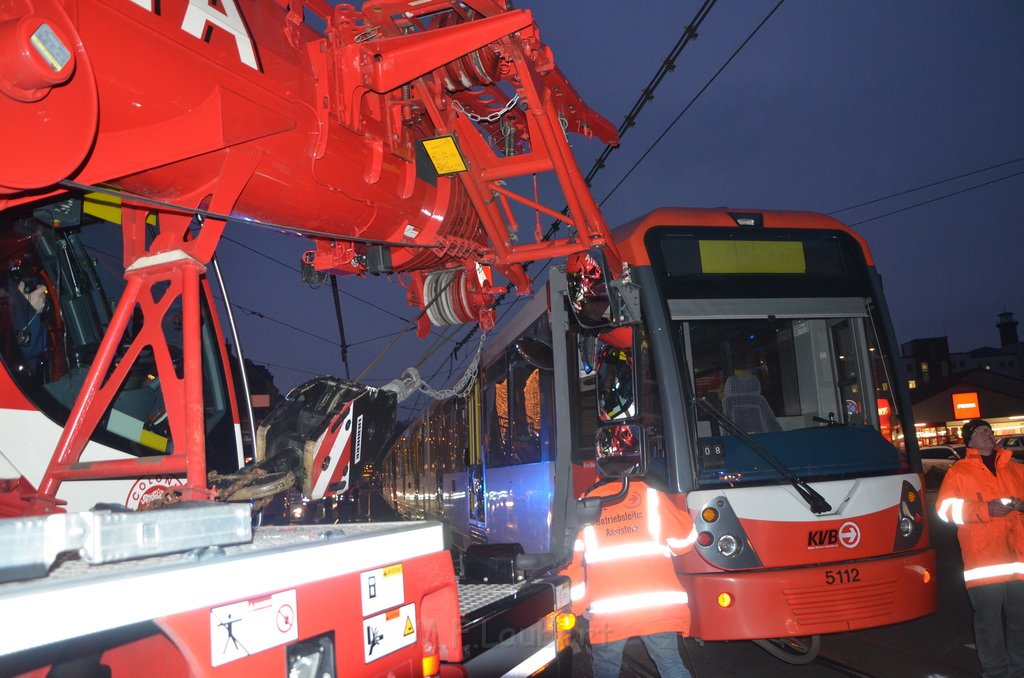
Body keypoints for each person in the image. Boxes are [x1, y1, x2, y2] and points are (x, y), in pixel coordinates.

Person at [563, 478, 697, 677]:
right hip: (657, 607)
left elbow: (570, 562)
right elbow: (684, 542)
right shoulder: (652, 496)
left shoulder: (585, 503)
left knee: (606, 669)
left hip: (609, 611)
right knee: (670, 665)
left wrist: (579, 606)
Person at [936, 418, 1024, 678]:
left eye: (989, 430)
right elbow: (945, 510)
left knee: (1020, 621)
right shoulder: (959, 471)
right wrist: (984, 509)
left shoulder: (1015, 468)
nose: (988, 434)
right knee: (989, 624)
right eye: (980, 431)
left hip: (1018, 559)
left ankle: (1020, 670)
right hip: (984, 562)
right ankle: (996, 673)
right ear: (969, 440)